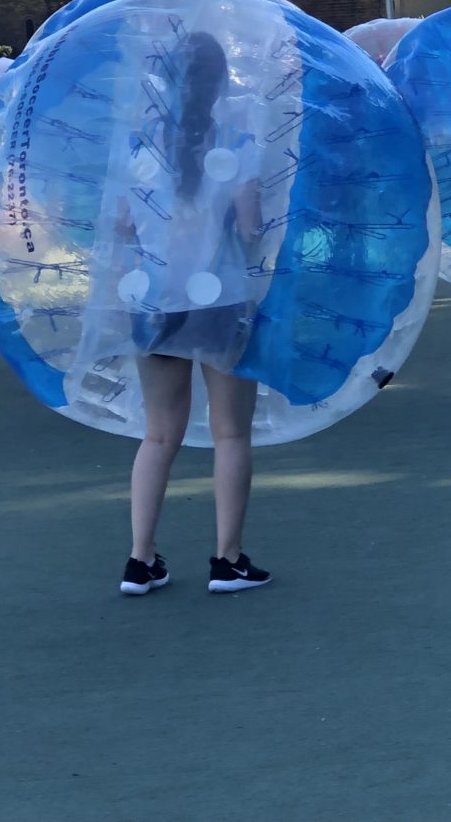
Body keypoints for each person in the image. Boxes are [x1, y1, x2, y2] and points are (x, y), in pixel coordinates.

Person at [113, 31, 271, 597]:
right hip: (220, 299)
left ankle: (140, 559)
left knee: (158, 435)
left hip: (152, 298)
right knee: (231, 433)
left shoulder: (138, 144)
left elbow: (124, 226)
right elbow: (252, 231)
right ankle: (227, 560)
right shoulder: (238, 142)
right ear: (221, 82)